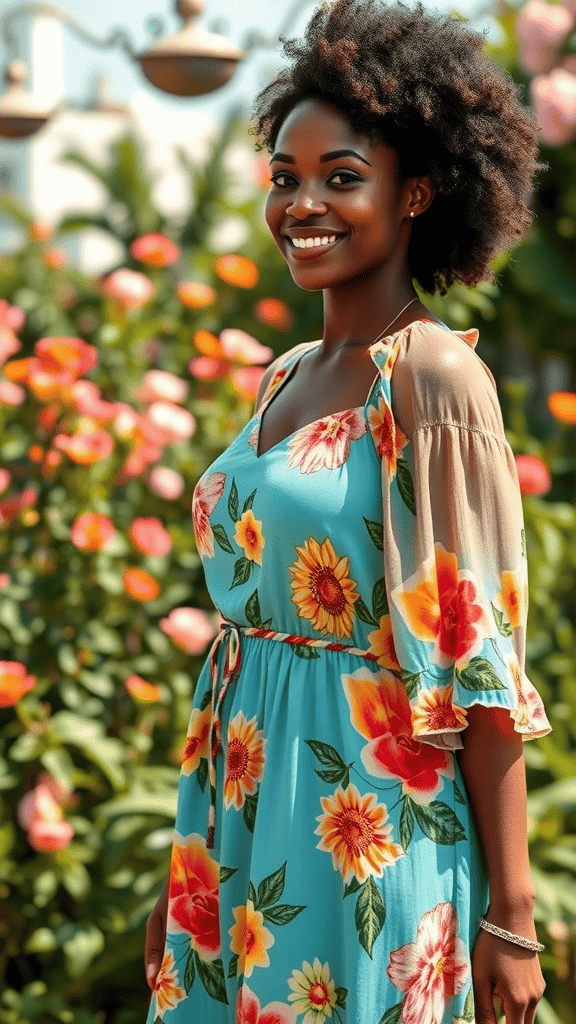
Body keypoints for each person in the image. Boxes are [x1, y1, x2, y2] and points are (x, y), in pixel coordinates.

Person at [144, 1, 553, 1021]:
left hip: (366, 822)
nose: (302, 204)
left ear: (417, 192)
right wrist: (182, 871)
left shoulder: (432, 375)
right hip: (238, 815)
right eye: (286, 177)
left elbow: (479, 660)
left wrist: (512, 916)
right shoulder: (282, 375)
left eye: (341, 177)